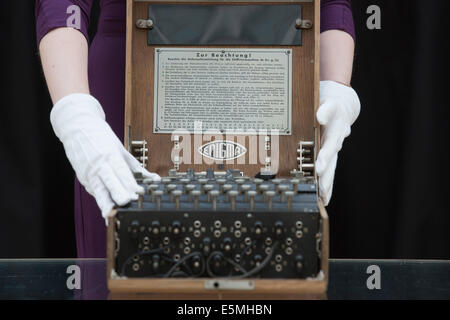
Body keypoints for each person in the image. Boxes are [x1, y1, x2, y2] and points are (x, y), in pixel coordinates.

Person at [35, 0, 361, 258]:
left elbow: (332, 4)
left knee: (270, 272)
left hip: (269, 69)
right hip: (128, 78)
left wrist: (335, 88)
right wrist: (75, 112)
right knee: (127, 264)